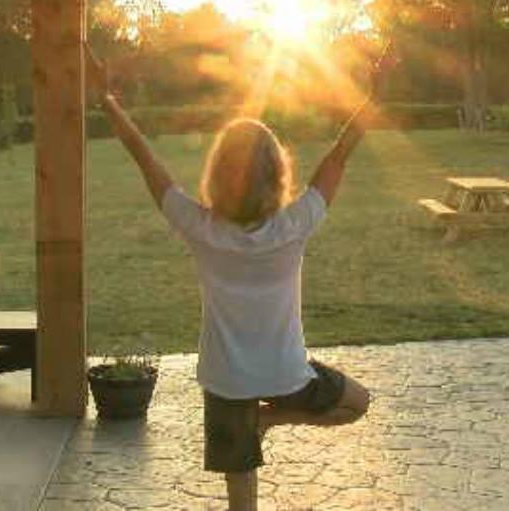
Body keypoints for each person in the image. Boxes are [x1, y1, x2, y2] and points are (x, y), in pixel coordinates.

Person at [86, 44, 396, 511]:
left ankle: (263, 422)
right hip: (286, 376)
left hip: (227, 380)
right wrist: (377, 95)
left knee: (241, 500)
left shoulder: (200, 229)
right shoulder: (294, 226)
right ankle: (271, 420)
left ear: (216, 174)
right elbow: (340, 154)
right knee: (358, 402)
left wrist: (106, 100)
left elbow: (142, 155)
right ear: (277, 176)